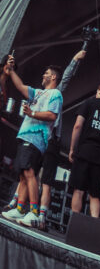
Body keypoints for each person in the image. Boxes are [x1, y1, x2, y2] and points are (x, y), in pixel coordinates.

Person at [0, 59, 64, 227]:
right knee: (22, 175)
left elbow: (52, 115)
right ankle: (20, 209)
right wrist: (11, 70)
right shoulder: (38, 92)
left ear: (53, 77)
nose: (43, 75)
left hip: (36, 139)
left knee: (29, 173)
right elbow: (21, 87)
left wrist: (33, 113)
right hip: (26, 137)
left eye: (46, 73)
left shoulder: (55, 94)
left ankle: (34, 212)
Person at [68, 83, 100, 218]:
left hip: (84, 151)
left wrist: (72, 148)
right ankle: (93, 227)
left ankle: (75, 226)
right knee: (95, 194)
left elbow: (78, 125)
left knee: (79, 190)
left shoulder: (89, 103)